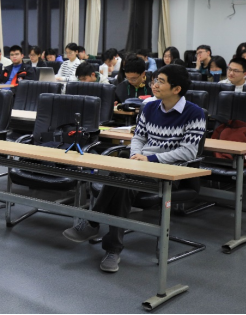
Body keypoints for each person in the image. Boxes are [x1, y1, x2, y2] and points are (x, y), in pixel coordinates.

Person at [63, 64, 206, 273]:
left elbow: (188, 152)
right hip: (139, 166)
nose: (154, 85)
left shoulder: (194, 113)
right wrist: (135, 157)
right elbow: (138, 138)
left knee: (121, 179)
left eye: (161, 82)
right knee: (123, 181)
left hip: (169, 172)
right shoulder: (149, 107)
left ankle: (94, 224)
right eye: (155, 80)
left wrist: (150, 159)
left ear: (176, 89)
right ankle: (112, 249)